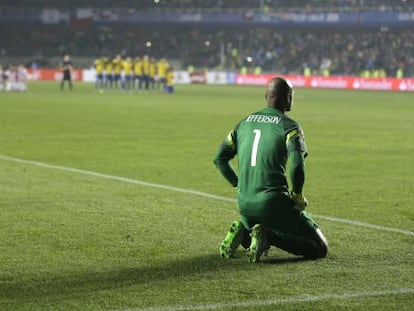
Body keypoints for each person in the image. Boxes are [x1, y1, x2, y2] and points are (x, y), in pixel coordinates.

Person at [213, 77, 328, 263]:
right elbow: (297, 164)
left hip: (244, 205)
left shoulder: (243, 123)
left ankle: (244, 231)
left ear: (266, 95)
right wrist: (297, 195)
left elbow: (219, 159)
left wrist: (239, 184)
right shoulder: (290, 127)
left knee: (261, 222)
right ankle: (268, 235)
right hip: (273, 205)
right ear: (288, 98)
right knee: (319, 248)